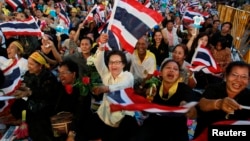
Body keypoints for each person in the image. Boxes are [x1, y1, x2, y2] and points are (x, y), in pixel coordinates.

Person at [131, 59, 197, 141]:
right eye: (168, 67)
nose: (171, 70)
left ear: (178, 75)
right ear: (161, 73)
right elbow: (145, 112)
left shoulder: (184, 88)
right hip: (153, 124)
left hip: (176, 126)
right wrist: (147, 101)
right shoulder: (153, 86)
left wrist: (186, 106)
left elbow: (192, 111)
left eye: (175, 69)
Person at [89, 34, 138, 141]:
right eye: (111, 62)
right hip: (105, 115)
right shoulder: (106, 74)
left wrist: (104, 88)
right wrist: (102, 44)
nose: (114, 65)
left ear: (123, 64)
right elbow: (98, 62)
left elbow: (121, 86)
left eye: (117, 62)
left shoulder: (128, 76)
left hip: (124, 118)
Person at [193, 61, 250, 139]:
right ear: (226, 75)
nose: (238, 80)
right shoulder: (213, 88)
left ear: (248, 80)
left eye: (244, 77)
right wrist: (219, 104)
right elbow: (202, 104)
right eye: (234, 75)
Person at [11, 51, 59, 141]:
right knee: (15, 107)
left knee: (38, 127)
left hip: (45, 105)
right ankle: (24, 122)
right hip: (32, 102)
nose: (29, 66)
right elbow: (26, 85)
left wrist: (29, 92)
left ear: (40, 66)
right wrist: (21, 88)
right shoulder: (28, 74)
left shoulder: (49, 77)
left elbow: (46, 93)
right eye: (28, 63)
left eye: (31, 64)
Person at [55, 59, 92, 141]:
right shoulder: (59, 87)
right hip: (61, 124)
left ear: (74, 74)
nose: (60, 76)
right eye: (59, 73)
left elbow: (80, 113)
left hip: (79, 126)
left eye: (64, 73)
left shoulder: (83, 89)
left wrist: (72, 133)